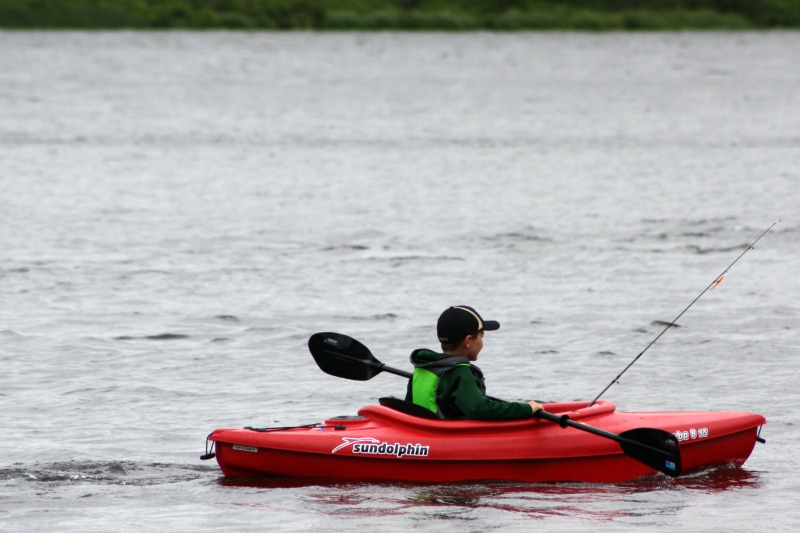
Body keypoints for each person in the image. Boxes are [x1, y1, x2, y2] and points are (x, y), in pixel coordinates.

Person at [404, 305, 543, 420]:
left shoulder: (423, 367)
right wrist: (526, 409)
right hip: (448, 439)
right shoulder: (461, 372)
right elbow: (478, 409)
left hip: (425, 433)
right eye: (482, 336)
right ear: (468, 341)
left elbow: (409, 408)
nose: (482, 341)